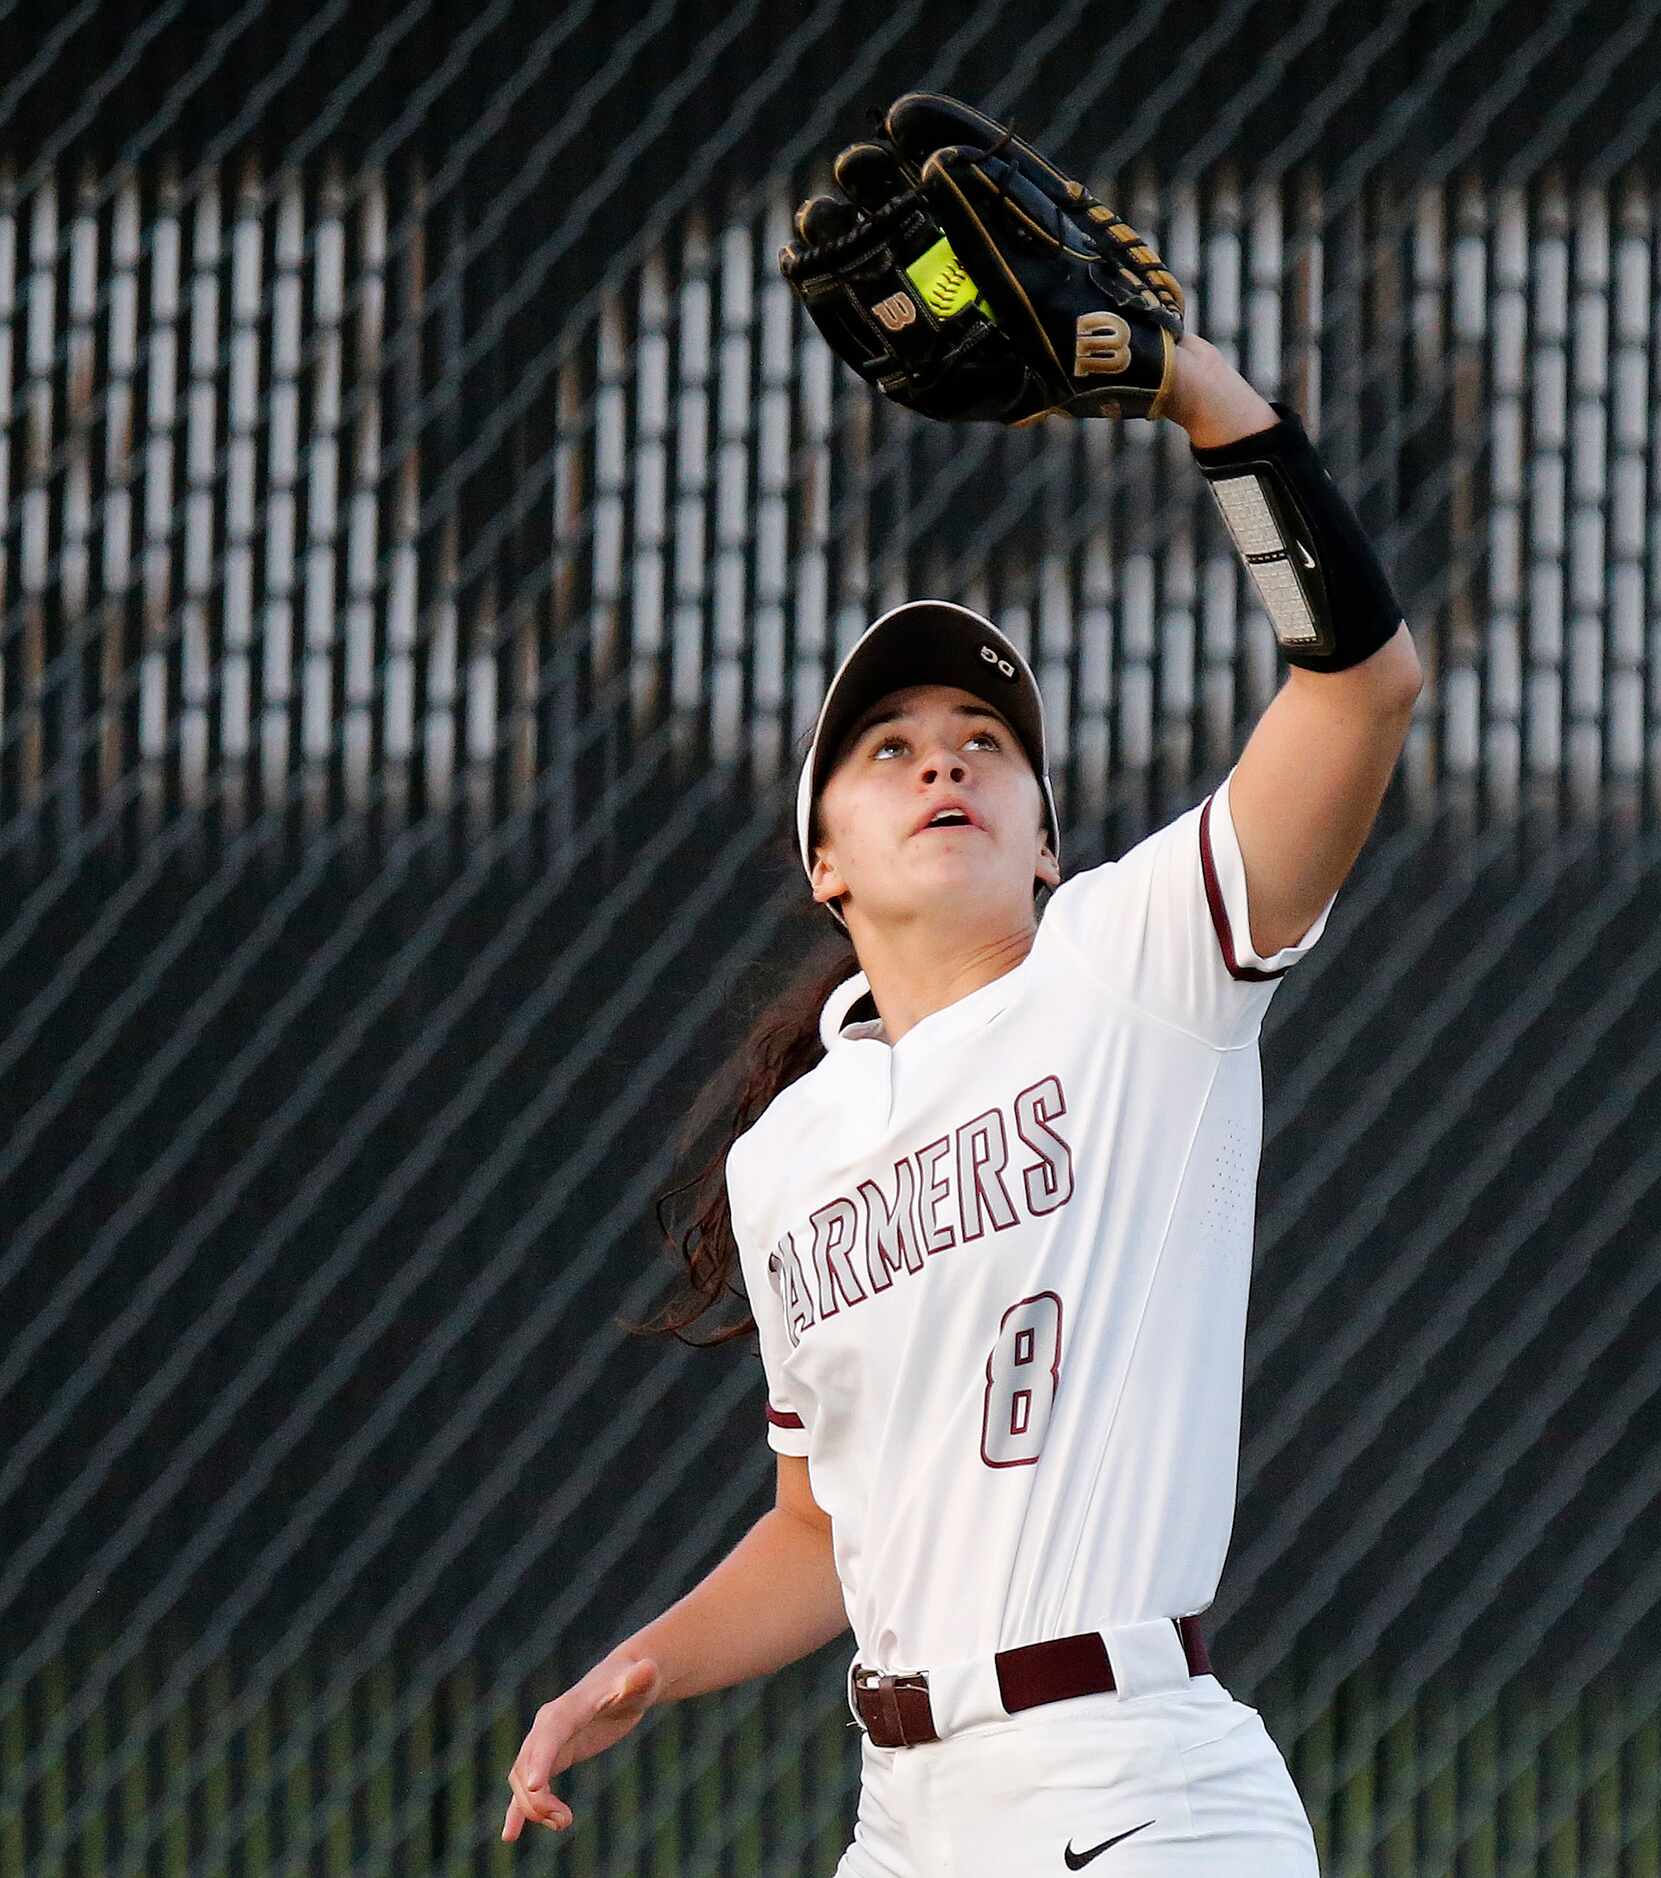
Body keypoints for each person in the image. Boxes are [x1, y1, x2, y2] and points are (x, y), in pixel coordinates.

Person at [503, 97, 1422, 1875]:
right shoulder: (793, 1153)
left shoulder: (1132, 967)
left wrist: (1205, 402)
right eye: (891, 747)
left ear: (1047, 844)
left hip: (1130, 1788)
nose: (944, 763)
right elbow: (820, 1527)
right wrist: (647, 1667)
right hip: (904, 1813)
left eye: (985, 741)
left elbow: (1358, 690)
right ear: (824, 860)